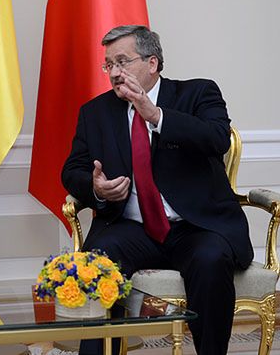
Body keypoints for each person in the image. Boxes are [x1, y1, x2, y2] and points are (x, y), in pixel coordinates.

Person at [61, 25, 253, 355]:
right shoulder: (95, 112)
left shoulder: (197, 94)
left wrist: (158, 116)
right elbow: (72, 170)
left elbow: (216, 138)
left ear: (152, 63)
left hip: (196, 227)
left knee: (211, 259)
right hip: (131, 228)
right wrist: (96, 188)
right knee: (97, 260)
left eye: (122, 61)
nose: (115, 73)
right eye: (109, 65)